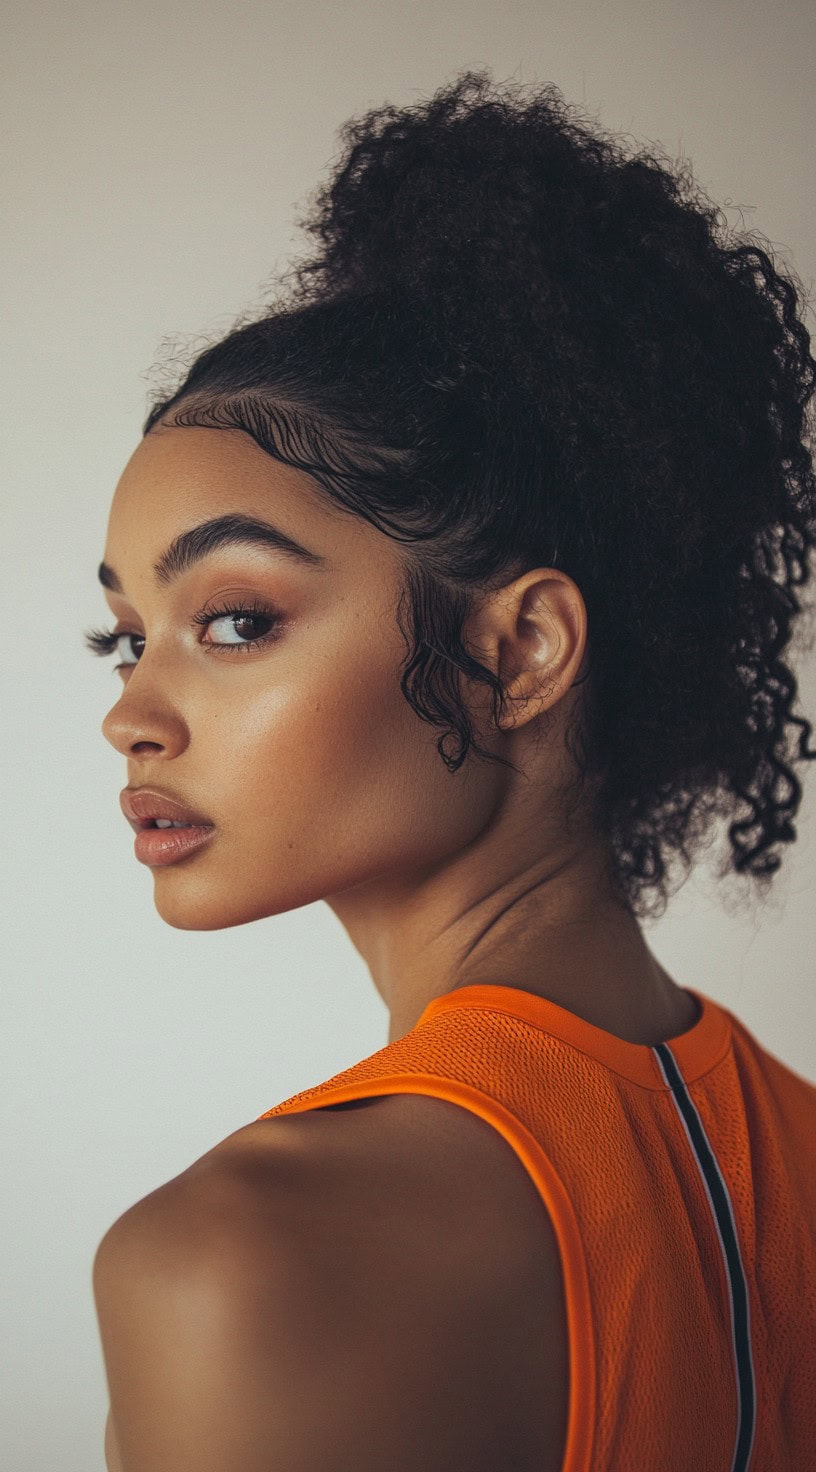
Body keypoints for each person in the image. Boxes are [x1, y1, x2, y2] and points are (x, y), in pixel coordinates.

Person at [88, 69, 816, 1472]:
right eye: (123, 636)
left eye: (235, 620)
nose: (133, 714)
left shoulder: (240, 1265)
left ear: (521, 652)